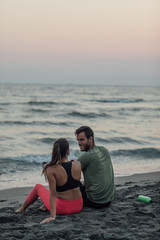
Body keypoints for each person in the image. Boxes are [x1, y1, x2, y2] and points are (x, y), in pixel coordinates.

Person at [16, 138, 83, 224]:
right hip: (78, 206)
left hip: (63, 209)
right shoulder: (78, 164)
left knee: (38, 187)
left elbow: (52, 194)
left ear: (54, 152)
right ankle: (44, 206)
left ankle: (21, 209)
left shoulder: (52, 169)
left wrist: (52, 216)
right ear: (68, 151)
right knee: (64, 187)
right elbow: (71, 184)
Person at [75, 126, 116, 208]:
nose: (79, 143)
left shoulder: (87, 156)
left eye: (82, 139)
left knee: (71, 179)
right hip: (108, 199)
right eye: (78, 140)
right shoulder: (104, 150)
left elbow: (67, 173)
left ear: (90, 139)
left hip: (94, 202)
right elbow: (95, 173)